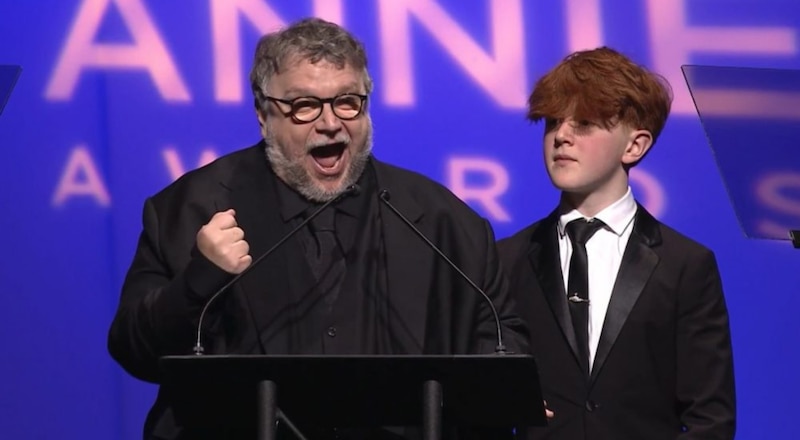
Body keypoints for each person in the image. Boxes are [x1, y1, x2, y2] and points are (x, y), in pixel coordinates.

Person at [108, 17, 528, 440]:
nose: (330, 123)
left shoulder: (444, 223)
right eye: (305, 106)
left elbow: (500, 342)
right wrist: (199, 280)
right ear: (263, 113)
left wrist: (505, 385)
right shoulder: (192, 208)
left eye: (347, 102)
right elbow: (133, 350)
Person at [498, 47, 736, 439]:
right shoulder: (508, 259)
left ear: (634, 146)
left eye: (585, 123)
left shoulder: (684, 265)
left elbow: (711, 419)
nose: (561, 136)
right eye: (553, 121)